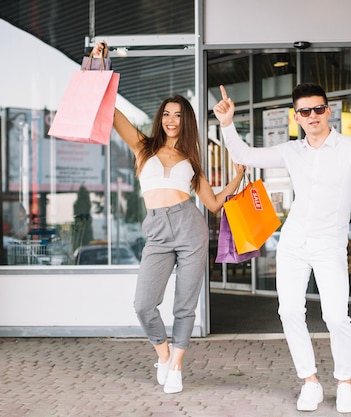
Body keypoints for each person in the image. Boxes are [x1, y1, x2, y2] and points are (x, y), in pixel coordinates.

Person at [213, 83, 351, 413]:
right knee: (289, 311)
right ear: (296, 116)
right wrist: (227, 124)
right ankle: (309, 381)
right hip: (294, 243)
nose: (312, 116)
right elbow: (244, 156)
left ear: (328, 111)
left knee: (337, 316)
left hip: (330, 244)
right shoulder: (291, 151)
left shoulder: (350, 149)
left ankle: (344, 383)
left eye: (318, 109)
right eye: (304, 111)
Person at [91, 42, 246, 394]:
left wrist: (236, 178)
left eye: (177, 115)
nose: (171, 120)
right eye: (166, 114)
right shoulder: (142, 147)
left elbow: (213, 204)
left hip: (190, 227)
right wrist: (100, 65)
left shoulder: (192, 160)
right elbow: (112, 112)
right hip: (158, 229)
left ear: (185, 120)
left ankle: (176, 365)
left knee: (184, 305)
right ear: (160, 118)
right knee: (143, 304)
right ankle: (163, 353)